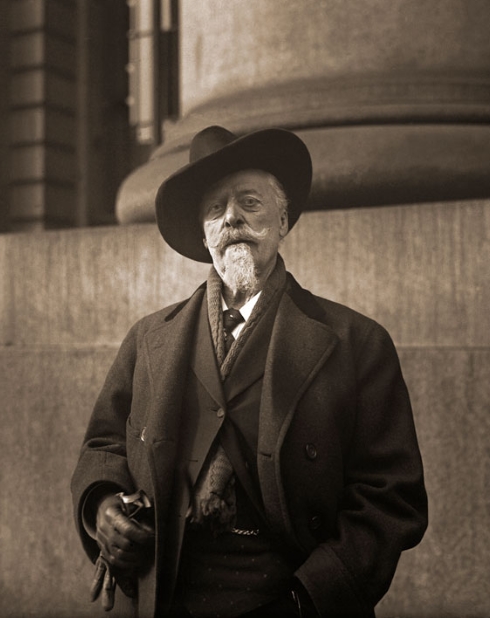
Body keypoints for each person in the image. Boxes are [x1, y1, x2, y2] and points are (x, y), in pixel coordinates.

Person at [71, 125, 428, 618]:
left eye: (250, 202)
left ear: (283, 220)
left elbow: (391, 499)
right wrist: (103, 508)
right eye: (215, 209)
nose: (231, 217)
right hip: (169, 595)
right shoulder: (149, 339)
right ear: (204, 235)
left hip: (293, 601)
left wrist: (314, 595)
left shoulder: (358, 343)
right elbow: (103, 446)